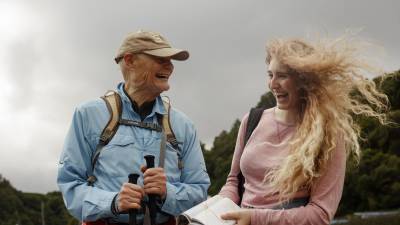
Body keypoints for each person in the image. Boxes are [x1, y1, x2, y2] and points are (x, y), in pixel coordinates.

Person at [219, 37, 389, 225]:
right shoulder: (251, 121)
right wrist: (217, 209)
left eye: (282, 76)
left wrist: (255, 218)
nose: (273, 84)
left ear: (304, 80)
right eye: (270, 75)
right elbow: (233, 181)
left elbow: (320, 214)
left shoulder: (328, 133)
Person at [57, 30, 210, 225]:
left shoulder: (184, 125)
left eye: (170, 60)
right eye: (160, 58)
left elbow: (200, 191)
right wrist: (112, 202)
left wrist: (167, 192)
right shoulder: (87, 115)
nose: (170, 66)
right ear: (129, 61)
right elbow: (70, 185)